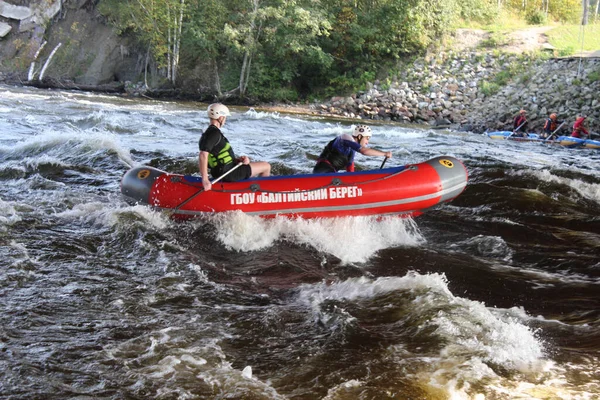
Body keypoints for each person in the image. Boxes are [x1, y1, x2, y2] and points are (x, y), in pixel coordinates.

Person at [199, 103, 271, 191]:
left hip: (221, 171)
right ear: (221, 117)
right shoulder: (214, 133)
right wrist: (205, 179)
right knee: (266, 166)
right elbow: (203, 154)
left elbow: (217, 155)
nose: (225, 120)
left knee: (256, 166)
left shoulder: (207, 133)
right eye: (225, 117)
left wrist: (237, 160)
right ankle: (261, 196)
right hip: (228, 173)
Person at [313, 125, 392, 173]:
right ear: (360, 136)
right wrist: (384, 154)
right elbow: (364, 151)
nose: (367, 142)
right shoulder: (345, 137)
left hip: (331, 172)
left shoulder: (352, 151)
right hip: (322, 171)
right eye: (367, 138)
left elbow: (350, 170)